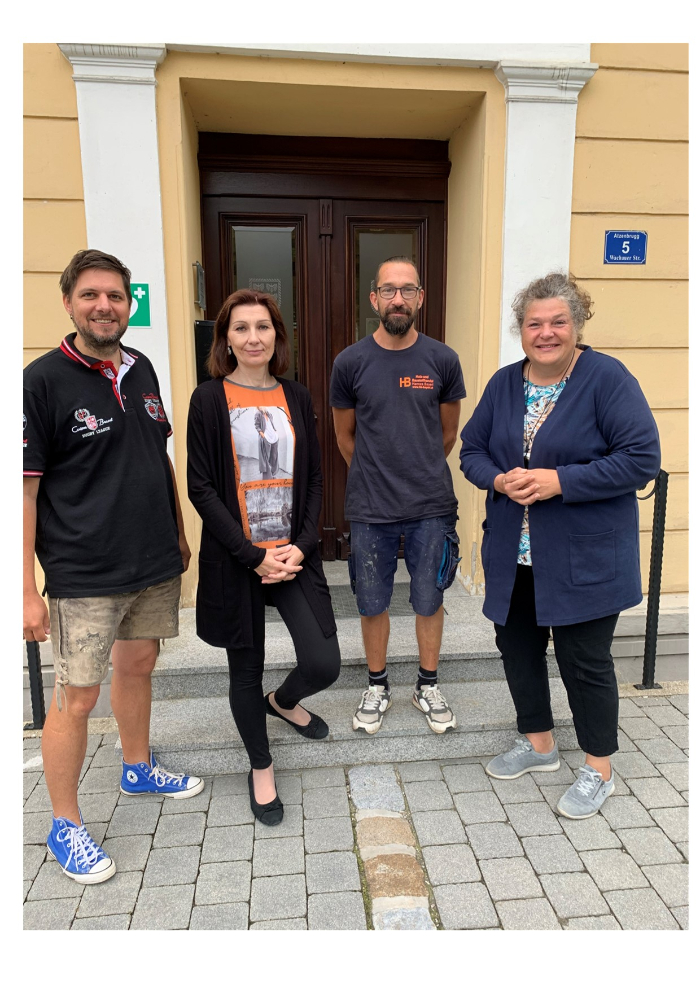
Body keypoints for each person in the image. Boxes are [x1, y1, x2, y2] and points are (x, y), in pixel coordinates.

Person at [23, 249, 203, 886]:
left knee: (138, 665)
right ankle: (64, 823)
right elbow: (23, 491)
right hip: (85, 573)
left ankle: (137, 766)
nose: (104, 306)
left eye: (115, 297)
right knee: (76, 696)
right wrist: (24, 591)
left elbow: (158, 456)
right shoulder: (41, 381)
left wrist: (178, 534)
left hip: (152, 560)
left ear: (129, 304)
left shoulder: (141, 367)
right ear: (68, 303)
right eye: (91, 295)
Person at [459, 272, 661, 818]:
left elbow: (641, 459)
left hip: (583, 556)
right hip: (514, 553)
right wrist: (499, 480)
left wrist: (560, 481)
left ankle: (599, 768)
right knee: (518, 649)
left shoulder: (606, 378)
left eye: (558, 322)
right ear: (520, 330)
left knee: (584, 661)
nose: (545, 333)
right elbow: (471, 450)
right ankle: (539, 743)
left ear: (577, 325)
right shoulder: (505, 383)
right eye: (534, 323)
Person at [187, 289, 341, 826]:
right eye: (241, 328)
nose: (253, 337)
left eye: (263, 327)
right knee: (245, 670)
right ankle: (261, 765)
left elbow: (314, 477)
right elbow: (201, 487)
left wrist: (303, 543)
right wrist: (251, 555)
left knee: (323, 662)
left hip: (292, 553)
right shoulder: (208, 399)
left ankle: (284, 701)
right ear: (225, 339)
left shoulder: (295, 395)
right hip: (238, 558)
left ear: (278, 335)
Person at [330, 256, 465, 735]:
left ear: (420, 298)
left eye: (408, 290)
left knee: (429, 598)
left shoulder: (442, 360)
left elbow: (447, 434)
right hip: (371, 507)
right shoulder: (350, 363)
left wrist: (416, 468)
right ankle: (377, 685)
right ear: (374, 299)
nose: (398, 299)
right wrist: (378, 474)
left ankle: (427, 684)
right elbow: (344, 437)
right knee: (371, 601)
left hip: (431, 505)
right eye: (389, 290)